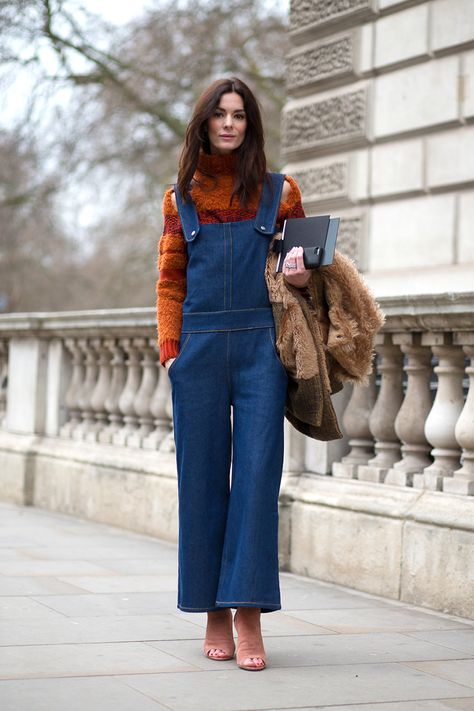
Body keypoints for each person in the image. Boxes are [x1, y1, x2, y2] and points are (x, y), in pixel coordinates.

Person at [156, 76, 310, 671]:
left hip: (260, 351)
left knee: (255, 480)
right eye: (219, 114)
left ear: (251, 125)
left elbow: (307, 276)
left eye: (239, 115)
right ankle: (211, 611)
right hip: (195, 352)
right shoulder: (180, 198)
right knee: (199, 481)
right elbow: (171, 278)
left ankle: (248, 615)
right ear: (203, 124)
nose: (228, 123)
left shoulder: (281, 192)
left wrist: (299, 276)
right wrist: (171, 347)